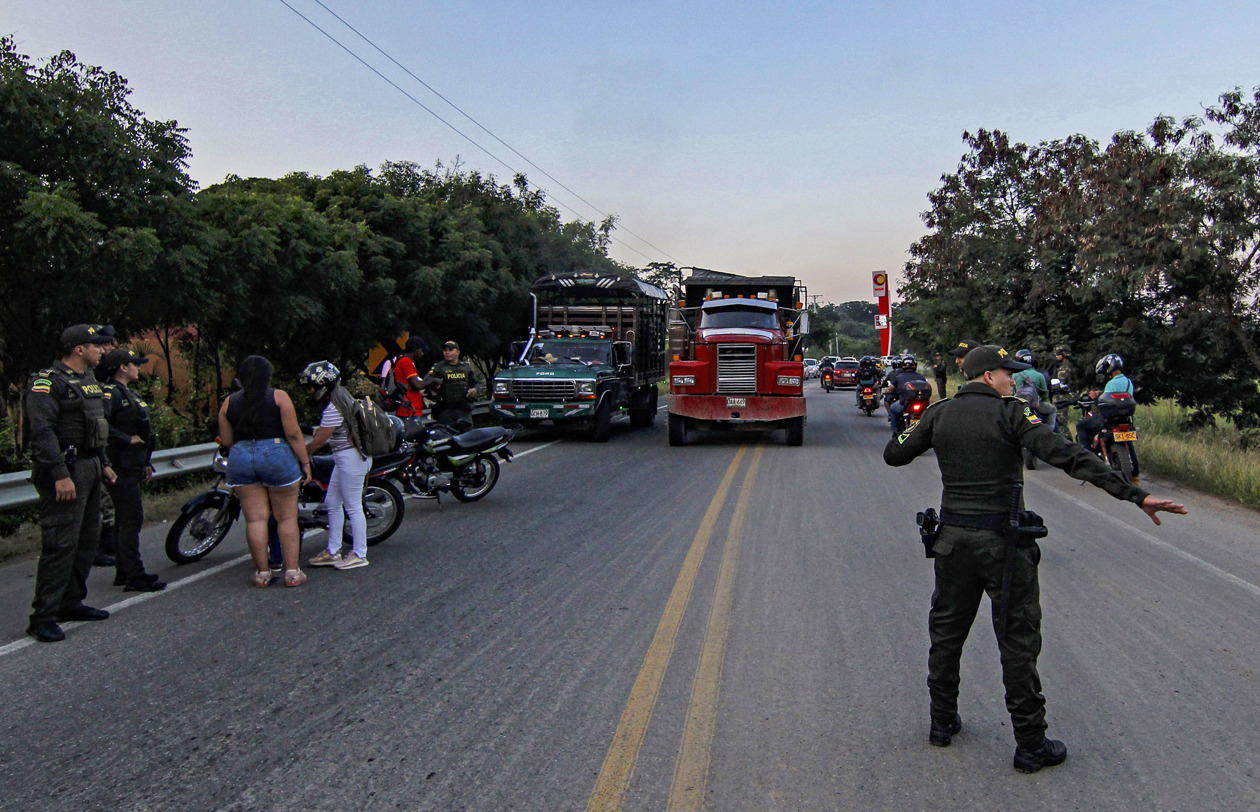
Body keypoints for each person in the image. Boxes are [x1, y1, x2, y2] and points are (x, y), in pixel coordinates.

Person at [883, 345, 1186, 773]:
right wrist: (1135, 495)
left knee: (947, 632)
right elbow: (1067, 455)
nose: (1014, 381)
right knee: (1018, 641)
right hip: (1004, 546)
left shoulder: (940, 412)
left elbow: (895, 453)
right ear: (988, 376)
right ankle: (1030, 744)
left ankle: (941, 722)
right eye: (1008, 374)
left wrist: (916, 423)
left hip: (952, 542)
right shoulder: (1013, 413)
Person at [24, 324, 118, 643]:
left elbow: (94, 425)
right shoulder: (47, 383)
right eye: (96, 345)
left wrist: (103, 464)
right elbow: (42, 433)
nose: (102, 349)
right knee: (61, 542)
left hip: (90, 465)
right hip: (66, 469)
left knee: (87, 540)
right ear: (79, 349)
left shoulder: (87, 380)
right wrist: (60, 474)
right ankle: (43, 616)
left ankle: (71, 602)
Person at [217, 355, 310, 588]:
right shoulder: (279, 397)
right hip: (276, 455)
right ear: (267, 375)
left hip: (241, 457)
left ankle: (262, 573)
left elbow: (227, 440)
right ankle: (292, 572)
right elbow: (294, 434)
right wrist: (305, 463)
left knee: (255, 519)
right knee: (286, 517)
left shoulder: (228, 403)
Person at [101, 348, 166, 592]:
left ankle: (124, 570)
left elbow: (144, 430)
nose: (139, 368)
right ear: (122, 367)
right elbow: (101, 425)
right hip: (120, 464)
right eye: (135, 364)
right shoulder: (111, 393)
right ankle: (134, 576)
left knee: (125, 519)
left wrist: (146, 461)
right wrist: (125, 439)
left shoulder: (131, 392)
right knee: (131, 519)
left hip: (134, 464)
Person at [300, 361, 372, 571]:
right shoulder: (343, 398)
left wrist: (300, 456)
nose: (310, 392)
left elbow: (318, 442)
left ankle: (360, 553)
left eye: (311, 387)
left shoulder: (334, 407)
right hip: (347, 458)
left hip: (351, 459)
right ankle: (333, 550)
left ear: (322, 385)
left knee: (352, 506)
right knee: (332, 502)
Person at [1075, 353, 1139, 479]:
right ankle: (1135, 470)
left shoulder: (1111, 384)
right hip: (1125, 419)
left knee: (1081, 426)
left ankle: (1088, 461)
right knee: (1129, 441)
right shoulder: (1127, 382)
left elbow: (1105, 404)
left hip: (1109, 419)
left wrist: (1096, 397)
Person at [92, 324, 119, 568]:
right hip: (90, 451)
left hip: (103, 448)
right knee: (102, 504)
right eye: (107, 344)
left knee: (105, 502)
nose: (110, 349)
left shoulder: (105, 374)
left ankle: (106, 546)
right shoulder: (91, 377)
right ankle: (99, 549)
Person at [423, 341, 478, 426]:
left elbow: (475, 383)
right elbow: (426, 380)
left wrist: (474, 390)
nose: (447, 352)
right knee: (446, 436)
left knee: (467, 436)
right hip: (446, 410)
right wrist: (435, 384)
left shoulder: (465, 368)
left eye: (451, 350)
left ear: (458, 352)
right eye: (445, 350)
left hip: (463, 409)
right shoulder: (439, 367)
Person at [885, 355, 929, 437]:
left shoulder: (899, 377)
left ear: (903, 366)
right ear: (915, 366)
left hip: (905, 404)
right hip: (921, 405)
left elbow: (890, 389)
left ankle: (896, 430)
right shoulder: (921, 377)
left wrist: (885, 392)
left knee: (892, 409)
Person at [387, 336, 427, 420]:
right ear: (415, 350)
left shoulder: (404, 360)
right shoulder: (406, 361)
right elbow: (417, 384)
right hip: (408, 409)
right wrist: (433, 381)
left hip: (410, 408)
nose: (422, 354)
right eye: (421, 351)